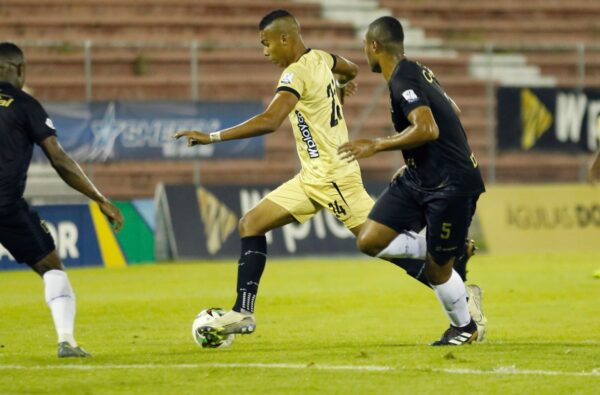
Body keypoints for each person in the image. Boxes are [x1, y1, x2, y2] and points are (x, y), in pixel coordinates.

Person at [174, 10, 483, 340]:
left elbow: (270, 120)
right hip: (311, 176)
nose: (264, 52)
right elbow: (349, 68)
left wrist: (212, 138)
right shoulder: (321, 58)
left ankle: (460, 291)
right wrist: (339, 87)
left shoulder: (295, 75)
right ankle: (243, 312)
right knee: (251, 223)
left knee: (379, 244)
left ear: (285, 38)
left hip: (334, 176)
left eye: (266, 44)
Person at [338, 16, 487, 346]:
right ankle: (452, 249)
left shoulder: (402, 77)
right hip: (420, 177)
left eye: (365, 45)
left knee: (437, 272)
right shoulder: (417, 70)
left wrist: (377, 144)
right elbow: (453, 110)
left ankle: (464, 327)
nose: (364, 51)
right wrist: (414, 162)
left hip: (451, 186)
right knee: (369, 240)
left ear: (374, 46)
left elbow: (428, 128)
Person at [0, 42, 124, 357]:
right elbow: (60, 160)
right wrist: (99, 198)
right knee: (52, 268)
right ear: (20, 69)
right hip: (5, 206)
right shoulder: (25, 104)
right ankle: (66, 341)